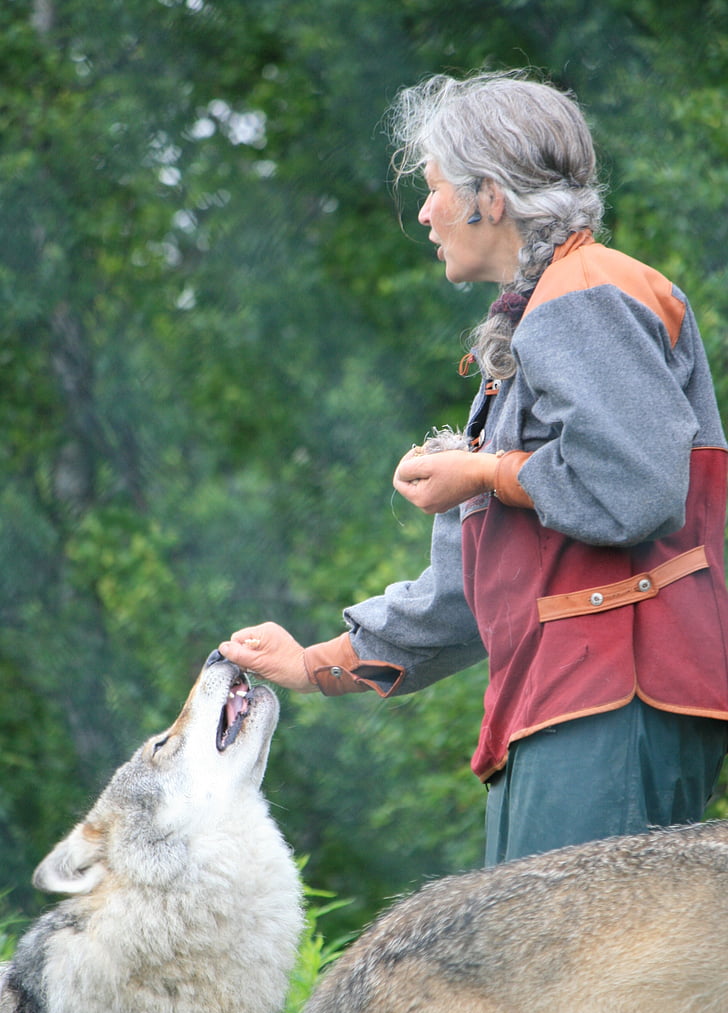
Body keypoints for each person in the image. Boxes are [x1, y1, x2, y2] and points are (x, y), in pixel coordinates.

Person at [219, 70, 728, 866]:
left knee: (574, 984)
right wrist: (313, 664)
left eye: (432, 189)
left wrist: (485, 475)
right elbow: (462, 602)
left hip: (615, 701)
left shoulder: (585, 292)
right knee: (537, 985)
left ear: (488, 196)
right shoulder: (536, 322)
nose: (423, 213)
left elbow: (634, 489)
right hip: (562, 708)